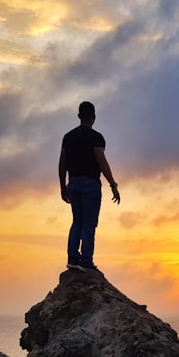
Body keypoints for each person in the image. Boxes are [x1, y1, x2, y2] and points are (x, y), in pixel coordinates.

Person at [59, 101, 120, 272]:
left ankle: (72, 258)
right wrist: (113, 184)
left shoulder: (68, 137)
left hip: (74, 183)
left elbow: (62, 163)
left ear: (79, 116)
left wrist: (63, 186)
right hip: (90, 185)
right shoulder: (96, 137)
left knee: (77, 221)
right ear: (93, 117)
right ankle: (85, 261)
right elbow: (101, 161)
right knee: (89, 224)